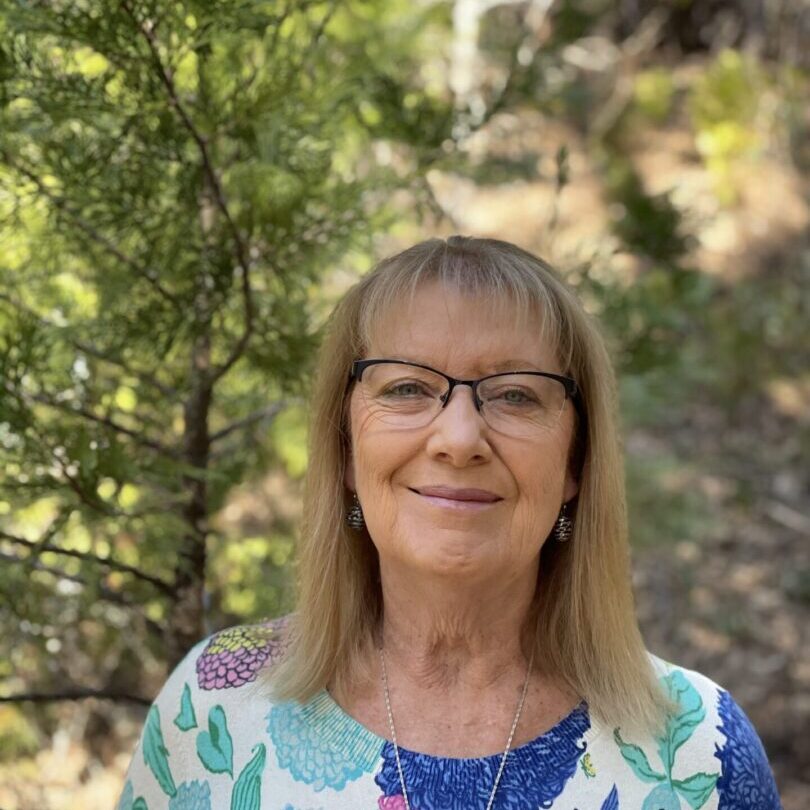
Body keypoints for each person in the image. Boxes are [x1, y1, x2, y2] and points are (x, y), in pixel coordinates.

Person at [117, 236, 782, 809]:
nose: (459, 438)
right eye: (407, 388)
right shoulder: (213, 710)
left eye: (516, 394)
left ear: (577, 462)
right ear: (346, 448)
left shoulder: (699, 754)